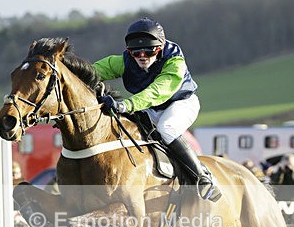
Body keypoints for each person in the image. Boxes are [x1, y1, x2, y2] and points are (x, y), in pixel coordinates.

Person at [93, 17, 221, 202]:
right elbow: (91, 71)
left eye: (149, 51)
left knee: (166, 129)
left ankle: (202, 178)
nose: (142, 56)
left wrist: (125, 105)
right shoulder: (124, 62)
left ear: (160, 48)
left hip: (181, 103)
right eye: (135, 52)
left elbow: (156, 92)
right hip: (150, 108)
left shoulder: (175, 62)